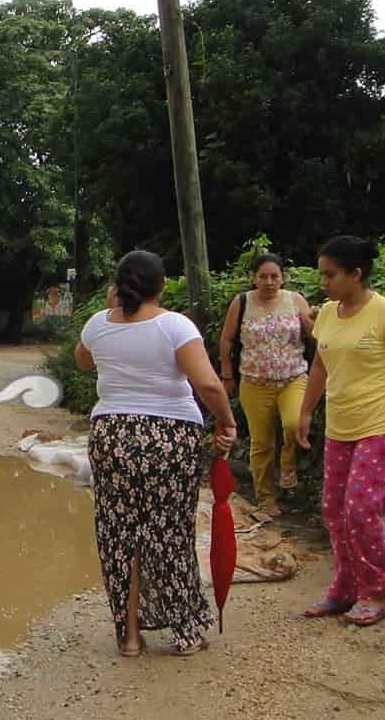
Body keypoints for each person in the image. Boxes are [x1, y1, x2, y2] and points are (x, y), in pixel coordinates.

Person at [76, 251, 239, 657]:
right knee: (169, 534)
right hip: (168, 437)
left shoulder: (99, 324)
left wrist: (110, 313)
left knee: (120, 537)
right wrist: (227, 422)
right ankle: (185, 635)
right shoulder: (174, 325)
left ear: (119, 286)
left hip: (111, 436)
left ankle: (129, 637)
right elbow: (210, 386)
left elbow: (82, 362)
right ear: (162, 284)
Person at [293, 236, 385, 627]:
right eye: (322, 274)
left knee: (361, 509)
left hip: (382, 423)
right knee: (335, 510)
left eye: (331, 274)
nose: (324, 282)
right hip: (340, 425)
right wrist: (305, 411)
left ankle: (375, 591)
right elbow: (320, 367)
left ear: (356, 274)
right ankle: (345, 587)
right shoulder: (329, 315)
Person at [217, 253, 315, 519]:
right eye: (263, 276)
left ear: (283, 277)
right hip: (254, 381)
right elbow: (226, 340)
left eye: (274, 276)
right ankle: (265, 498)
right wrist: (227, 373)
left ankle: (287, 468)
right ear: (254, 278)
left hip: (293, 377)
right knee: (261, 443)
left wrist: (314, 319)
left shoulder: (295, 300)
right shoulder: (242, 302)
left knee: (294, 424)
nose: (269, 282)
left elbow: (314, 332)